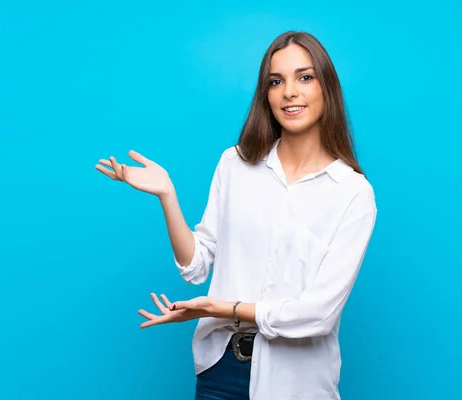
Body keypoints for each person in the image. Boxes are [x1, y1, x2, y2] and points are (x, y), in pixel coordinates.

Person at [95, 31, 377, 400]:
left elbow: (318, 315)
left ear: (328, 88)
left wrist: (222, 308)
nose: (289, 91)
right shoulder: (235, 164)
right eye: (276, 82)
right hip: (220, 370)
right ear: (266, 95)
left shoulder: (353, 193)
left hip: (295, 385)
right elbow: (196, 266)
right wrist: (167, 194)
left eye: (304, 77)